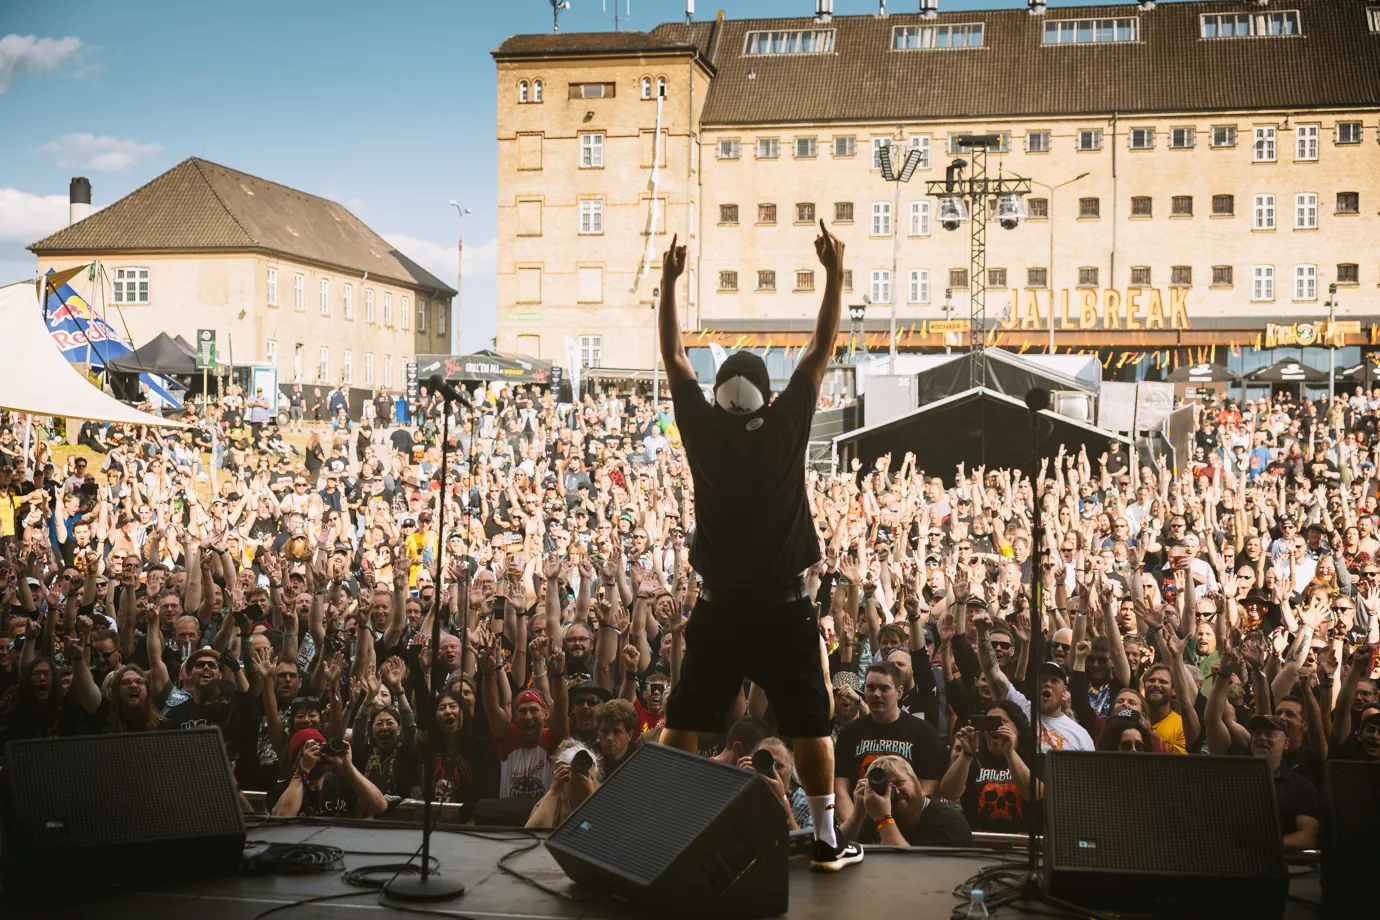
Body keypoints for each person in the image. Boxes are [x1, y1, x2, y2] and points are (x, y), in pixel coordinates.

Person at [655, 225, 864, 872]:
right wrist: (834, 275)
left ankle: (667, 831)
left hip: (719, 607)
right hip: (782, 606)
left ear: (717, 397)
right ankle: (826, 838)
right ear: (766, 395)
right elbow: (821, 348)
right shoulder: (785, 423)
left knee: (686, 717)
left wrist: (668, 281)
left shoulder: (702, 427)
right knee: (811, 723)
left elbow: (674, 357)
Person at [840, 754, 972, 847]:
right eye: (885, 788)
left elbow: (910, 870)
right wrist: (858, 815)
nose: (894, 792)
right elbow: (836, 848)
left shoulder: (948, 822)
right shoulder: (875, 812)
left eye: (898, 783)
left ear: (916, 782)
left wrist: (884, 819)